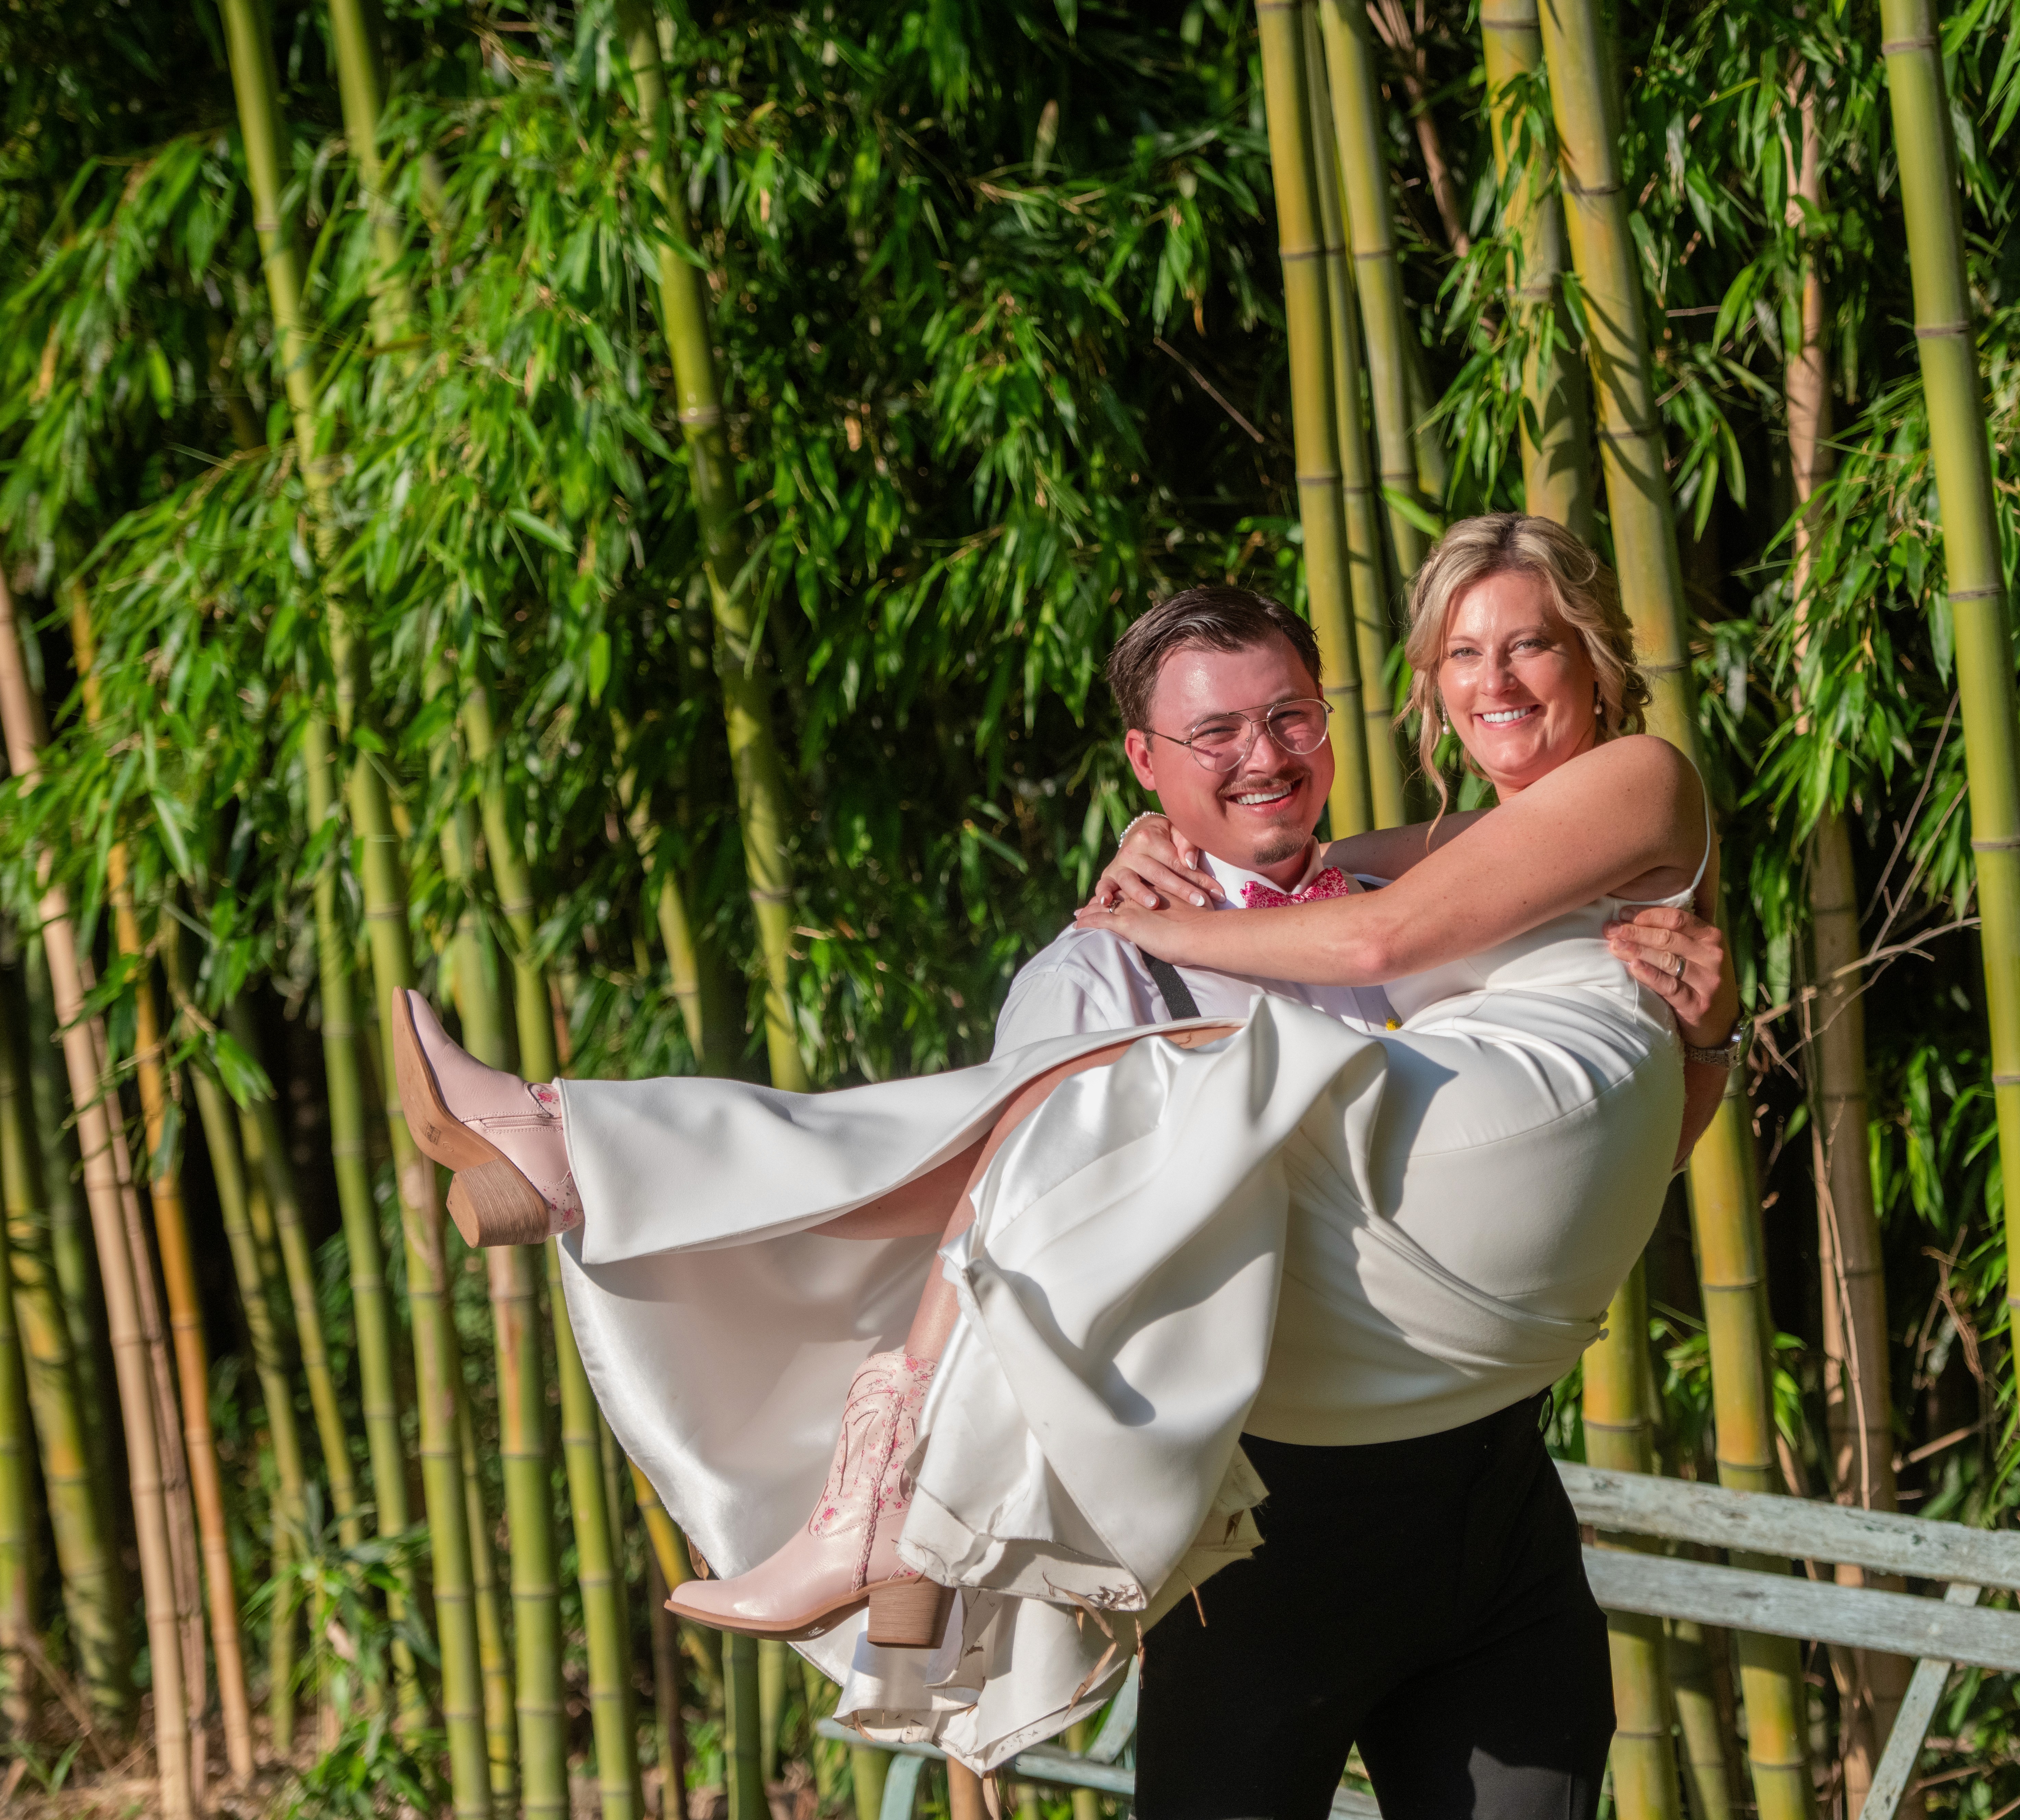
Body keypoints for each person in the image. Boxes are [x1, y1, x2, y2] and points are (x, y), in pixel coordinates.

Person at [390, 514, 1746, 1814]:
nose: (1263, 755)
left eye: (1287, 719)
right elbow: (1005, 1242)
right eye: (1464, 653)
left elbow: (1511, 1081)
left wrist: (1708, 1037)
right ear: (1146, 764)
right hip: (1270, 1529)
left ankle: (587, 1159)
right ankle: (602, 1166)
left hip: (1493, 1489)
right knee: (1085, 1103)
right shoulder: (1111, 963)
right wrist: (1143, 918)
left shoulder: (1455, 888)